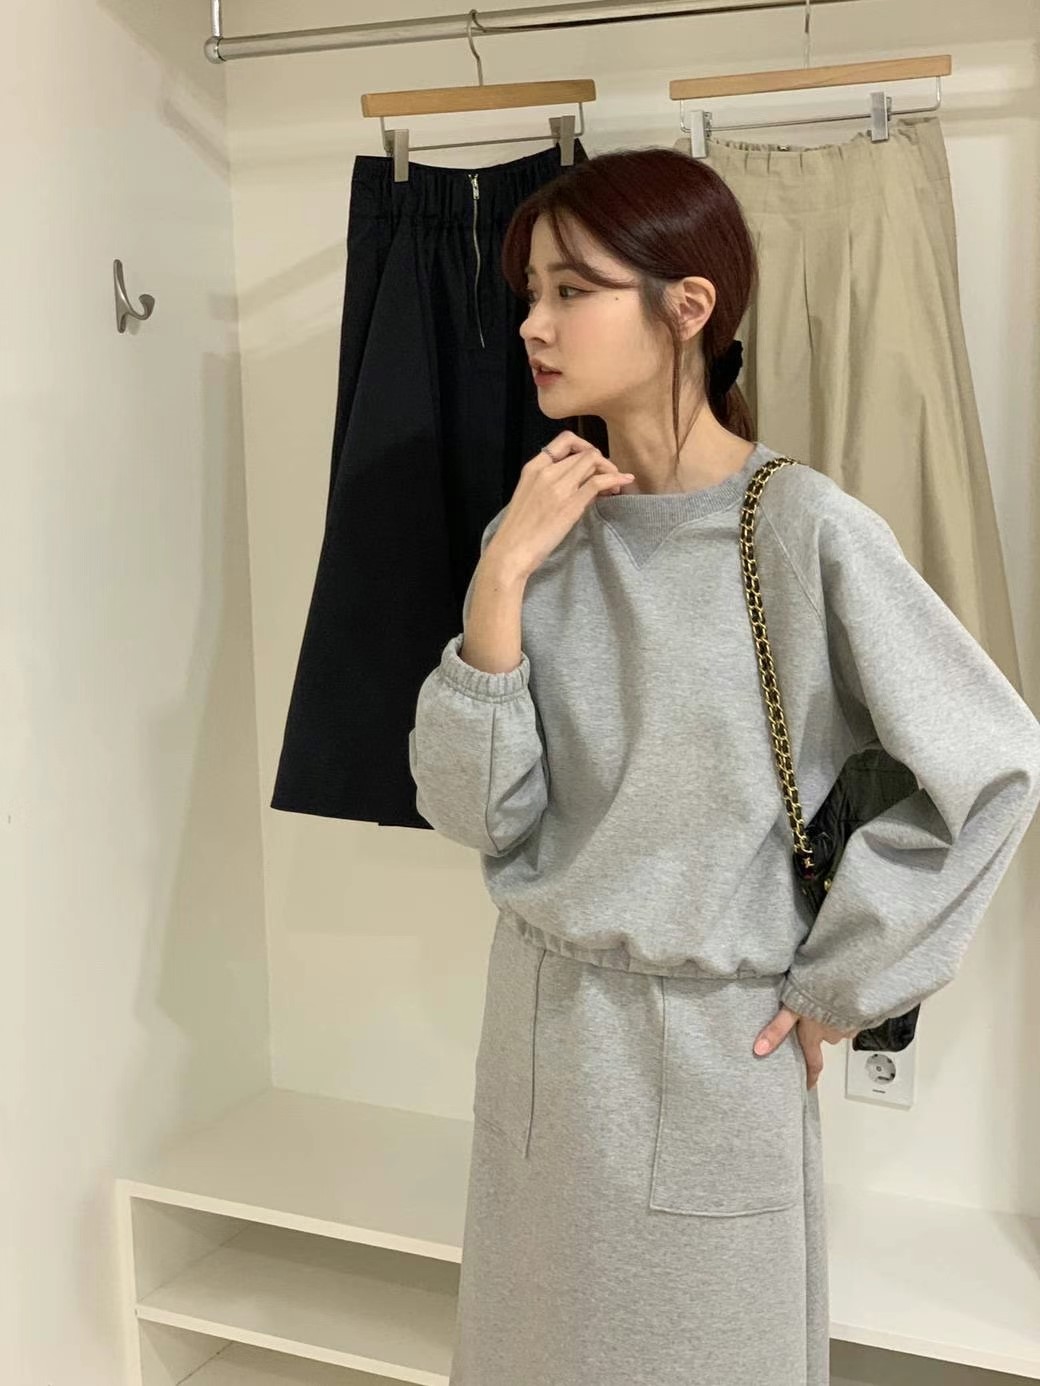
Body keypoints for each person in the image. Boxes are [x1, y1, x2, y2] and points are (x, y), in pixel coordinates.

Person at [407, 145, 1040, 1386]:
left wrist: (843, 981)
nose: (532, 325)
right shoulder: (536, 531)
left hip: (710, 1049)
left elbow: (991, 764)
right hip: (536, 1035)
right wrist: (498, 582)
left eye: (570, 290)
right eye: (529, 294)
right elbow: (473, 811)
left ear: (686, 305)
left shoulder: (800, 528)